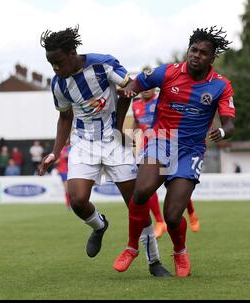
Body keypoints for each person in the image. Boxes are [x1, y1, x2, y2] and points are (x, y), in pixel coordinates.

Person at [38, 26, 170, 277]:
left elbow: (128, 88)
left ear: (72, 52)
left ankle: (154, 262)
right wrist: (55, 152)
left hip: (113, 141)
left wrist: (121, 124)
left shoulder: (103, 65)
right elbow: (65, 118)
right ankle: (99, 226)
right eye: (50, 64)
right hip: (83, 144)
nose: (54, 69)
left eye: (58, 62)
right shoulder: (59, 84)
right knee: (77, 200)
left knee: (135, 204)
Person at [114, 26, 235, 277]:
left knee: (171, 215)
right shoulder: (168, 71)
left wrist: (222, 132)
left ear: (212, 58)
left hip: (190, 150)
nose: (196, 55)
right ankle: (131, 247)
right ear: (187, 50)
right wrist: (130, 89)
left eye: (203, 53)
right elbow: (138, 82)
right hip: (162, 140)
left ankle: (180, 251)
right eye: (193, 50)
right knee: (142, 190)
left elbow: (230, 122)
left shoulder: (221, 86)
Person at [132, 87, 200, 238]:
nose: (145, 91)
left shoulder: (161, 100)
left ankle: (191, 212)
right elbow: (136, 123)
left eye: (149, 88)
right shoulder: (135, 105)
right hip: (148, 147)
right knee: (146, 185)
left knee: (176, 183)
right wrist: (132, 138)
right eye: (143, 88)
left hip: (168, 144)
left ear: (155, 90)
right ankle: (159, 221)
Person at [56, 141, 71, 210]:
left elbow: (67, 155)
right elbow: (57, 160)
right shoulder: (60, 149)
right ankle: (68, 205)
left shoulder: (70, 147)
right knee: (67, 189)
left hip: (71, 169)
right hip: (63, 171)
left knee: (71, 189)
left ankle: (71, 205)